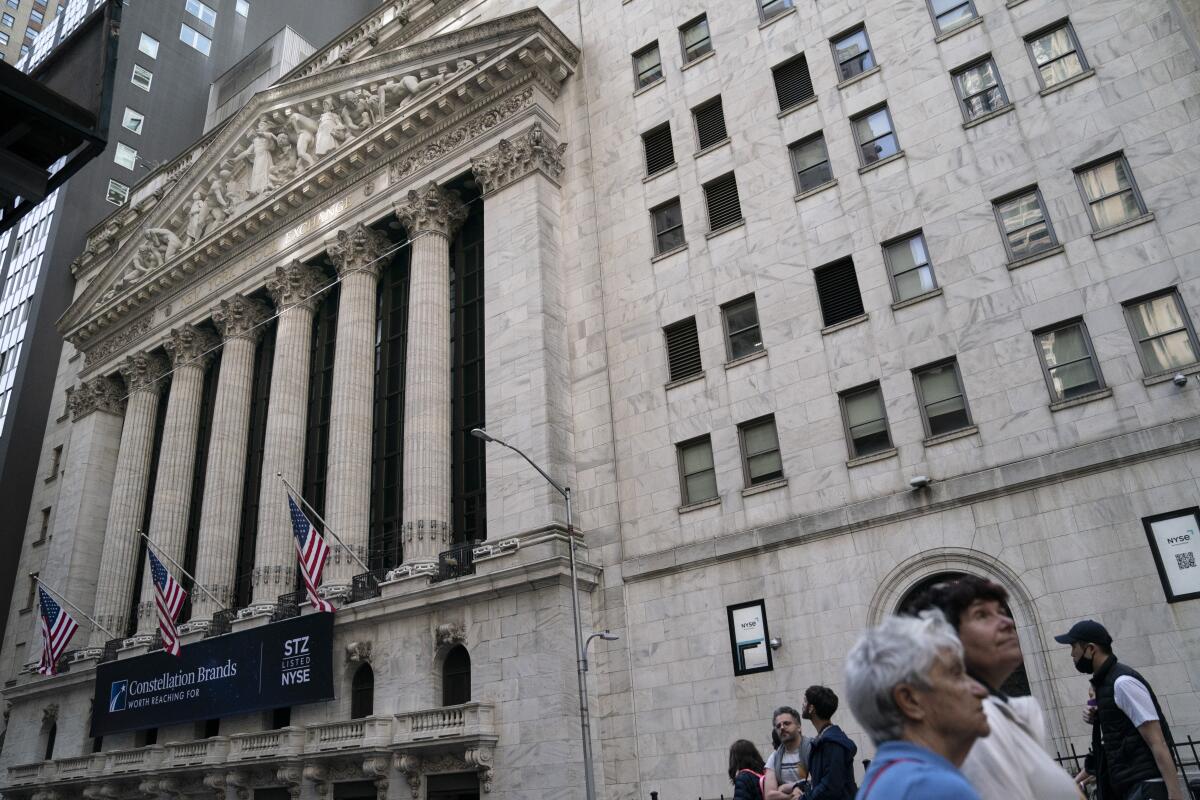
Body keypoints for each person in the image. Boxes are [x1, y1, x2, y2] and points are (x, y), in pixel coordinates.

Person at [906, 575, 1081, 799]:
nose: (1006, 622)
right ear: (946, 641)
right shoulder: (968, 724)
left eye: (1002, 611)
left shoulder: (999, 711)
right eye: (982, 615)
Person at [845, 612, 989, 799]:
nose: (981, 690)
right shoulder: (934, 787)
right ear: (910, 700)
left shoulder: (887, 780)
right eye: (956, 673)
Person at [1055, 619, 1185, 800]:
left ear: (1091, 649)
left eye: (1073, 647)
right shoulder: (1105, 685)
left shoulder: (1123, 683)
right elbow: (1115, 742)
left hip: (1146, 785)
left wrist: (1175, 794)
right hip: (1130, 785)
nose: (1072, 654)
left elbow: (1157, 740)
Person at [764, 706, 811, 799]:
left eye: (787, 723)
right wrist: (791, 796)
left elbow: (816, 781)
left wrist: (785, 787)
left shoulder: (813, 748)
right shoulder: (774, 757)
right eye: (778, 726)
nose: (782, 727)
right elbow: (769, 796)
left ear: (799, 727)